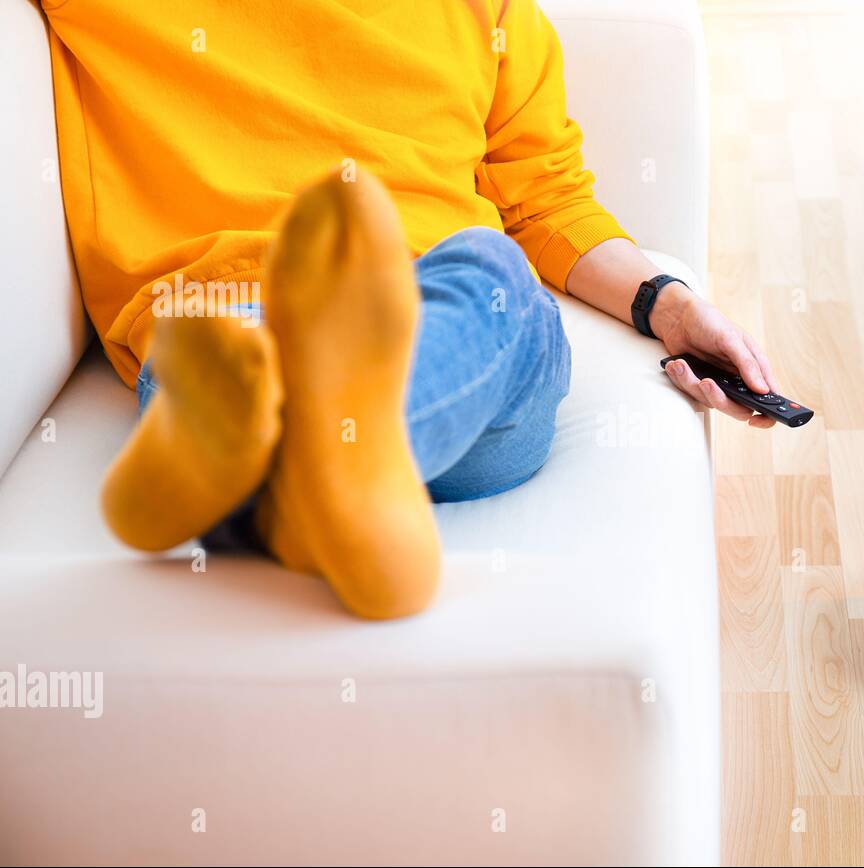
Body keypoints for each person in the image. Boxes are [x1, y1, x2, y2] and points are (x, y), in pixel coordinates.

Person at [42, 0, 778, 619]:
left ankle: (289, 470)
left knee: (491, 273)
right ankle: (332, 491)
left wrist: (669, 307)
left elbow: (546, 197)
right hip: (239, 324)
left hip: (438, 335)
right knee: (467, 289)